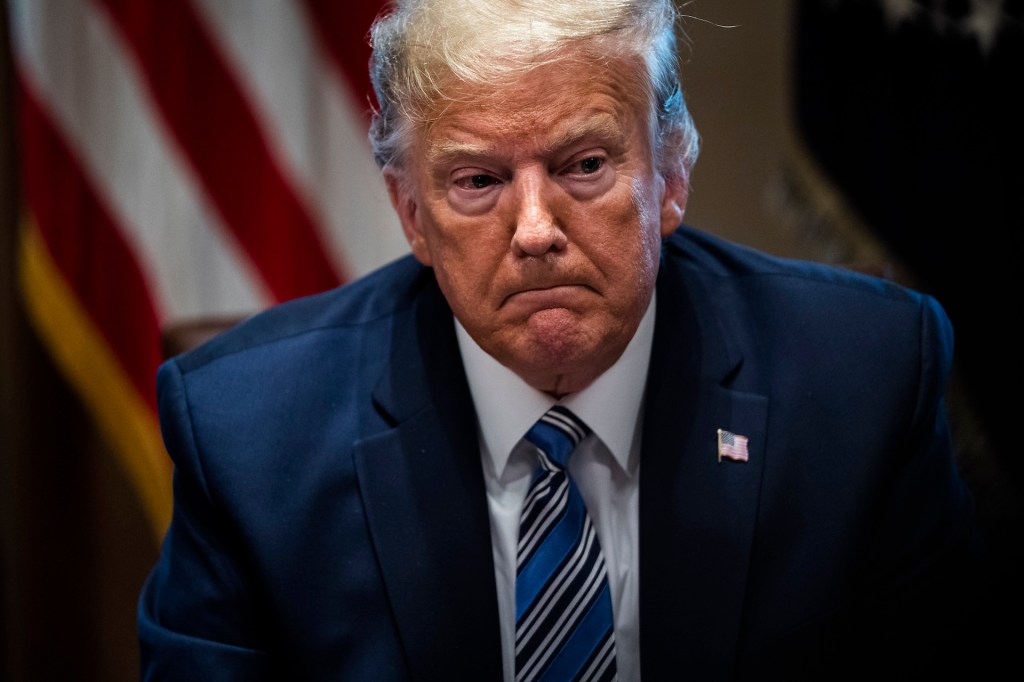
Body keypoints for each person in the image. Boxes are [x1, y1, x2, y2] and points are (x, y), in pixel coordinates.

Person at [138, 1, 981, 679]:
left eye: (584, 165)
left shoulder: (864, 380)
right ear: (411, 214)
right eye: (479, 180)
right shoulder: (247, 438)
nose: (536, 231)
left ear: (671, 174)